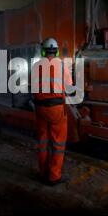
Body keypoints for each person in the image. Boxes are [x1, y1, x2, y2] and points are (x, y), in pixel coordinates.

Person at [31, 37, 73, 186]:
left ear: (43, 51)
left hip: (40, 109)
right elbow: (69, 86)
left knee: (43, 142)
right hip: (56, 110)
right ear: (56, 51)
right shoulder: (62, 66)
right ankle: (54, 176)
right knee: (58, 144)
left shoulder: (36, 66)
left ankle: (43, 173)